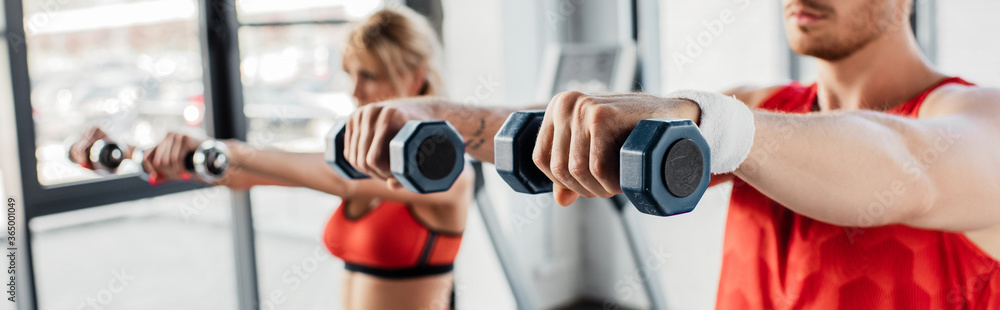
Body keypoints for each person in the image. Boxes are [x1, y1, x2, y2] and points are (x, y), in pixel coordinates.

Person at [338, 0, 1000, 308]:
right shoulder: (765, 107)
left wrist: (713, 122)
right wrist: (437, 114)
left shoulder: (974, 117)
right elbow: (567, 124)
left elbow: (913, 163)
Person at [70, 7, 472, 310]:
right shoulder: (364, 160)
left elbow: (340, 181)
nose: (355, 92)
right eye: (350, 74)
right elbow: (243, 174)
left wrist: (229, 150)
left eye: (368, 75)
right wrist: (142, 154)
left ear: (415, 75)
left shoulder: (447, 172)